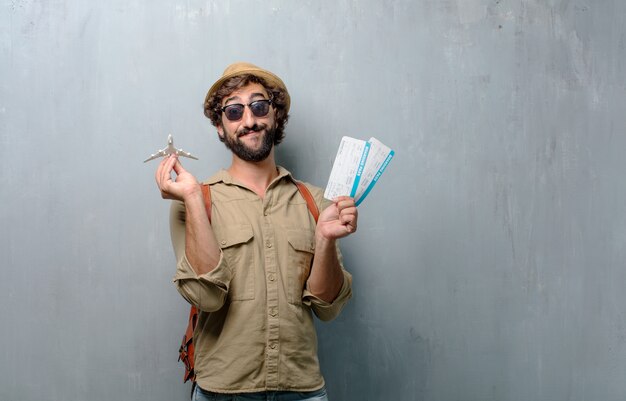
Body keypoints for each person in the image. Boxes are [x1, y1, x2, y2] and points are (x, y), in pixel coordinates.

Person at [154, 62, 358, 401]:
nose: (248, 120)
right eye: (233, 112)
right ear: (220, 127)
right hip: (222, 393)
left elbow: (327, 308)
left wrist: (324, 238)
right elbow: (207, 297)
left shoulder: (317, 202)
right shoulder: (195, 201)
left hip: (302, 392)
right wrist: (190, 196)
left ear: (275, 115)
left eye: (259, 106)